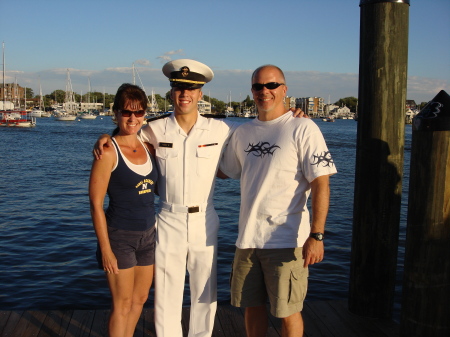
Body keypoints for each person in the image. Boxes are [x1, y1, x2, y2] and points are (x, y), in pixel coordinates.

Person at [93, 60, 306, 337]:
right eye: (179, 89)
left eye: (191, 89)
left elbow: (263, 126)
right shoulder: (154, 130)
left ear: (200, 94)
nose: (185, 95)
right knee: (166, 295)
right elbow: (126, 136)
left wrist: (292, 115)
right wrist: (104, 137)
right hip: (168, 218)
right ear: (172, 93)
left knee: (205, 293)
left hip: (205, 219)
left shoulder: (223, 130)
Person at [219, 65, 337, 337]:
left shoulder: (303, 127)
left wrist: (317, 235)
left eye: (271, 85)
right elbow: (225, 170)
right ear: (251, 91)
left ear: (284, 89)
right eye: (258, 86)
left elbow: (321, 182)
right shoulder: (243, 132)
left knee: (289, 312)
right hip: (248, 239)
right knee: (251, 307)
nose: (265, 91)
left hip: (287, 241)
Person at [89, 83, 158, 337]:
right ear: (116, 113)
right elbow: (96, 204)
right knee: (122, 304)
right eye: (126, 112)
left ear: (144, 115)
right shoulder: (108, 151)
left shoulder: (148, 147)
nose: (132, 118)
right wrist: (105, 249)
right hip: (120, 236)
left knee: (140, 299)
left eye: (138, 112)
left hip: (149, 235)